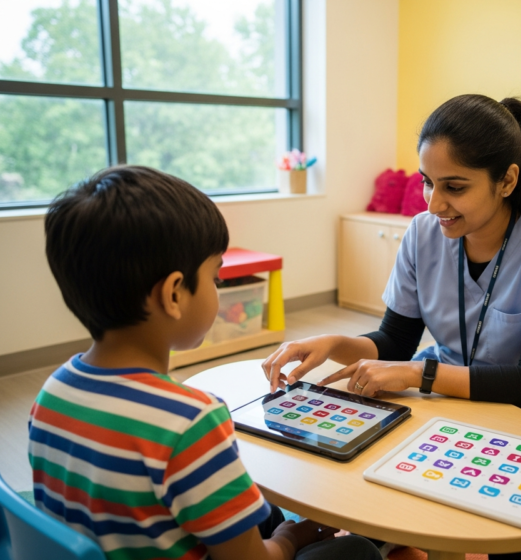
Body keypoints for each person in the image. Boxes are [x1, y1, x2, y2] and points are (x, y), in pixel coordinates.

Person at [265, 92, 521, 554]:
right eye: (427, 182)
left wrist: (420, 374)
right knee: (378, 455)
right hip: (446, 390)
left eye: (454, 187)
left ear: (507, 180)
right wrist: (333, 343)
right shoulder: (423, 232)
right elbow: (395, 341)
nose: (435, 203)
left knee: (502, 509)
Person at [31, 166, 381, 560]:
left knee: (263, 512)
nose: (218, 287)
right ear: (173, 295)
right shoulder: (189, 421)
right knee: (355, 550)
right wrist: (289, 540)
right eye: (216, 277)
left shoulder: (52, 393)